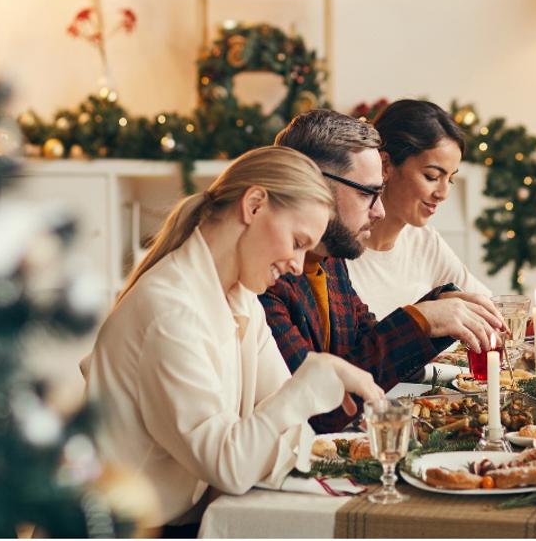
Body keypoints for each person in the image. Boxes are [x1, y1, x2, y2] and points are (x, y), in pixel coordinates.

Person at [82, 146, 384, 532]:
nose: (296, 266)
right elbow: (229, 465)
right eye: (297, 241)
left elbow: (282, 424)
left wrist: (297, 410)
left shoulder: (240, 298)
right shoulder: (171, 311)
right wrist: (313, 378)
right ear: (254, 205)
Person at [261, 109, 506, 432]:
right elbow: (320, 412)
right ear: (313, 185)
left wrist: (440, 306)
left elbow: (365, 345)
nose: (378, 210)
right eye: (367, 194)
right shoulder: (266, 278)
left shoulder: (329, 262)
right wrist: (423, 319)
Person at [347, 99, 491, 319]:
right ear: (385, 166)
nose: (443, 193)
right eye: (432, 176)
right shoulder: (337, 251)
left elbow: (488, 305)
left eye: (450, 179)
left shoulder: (424, 242)